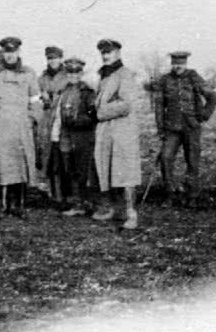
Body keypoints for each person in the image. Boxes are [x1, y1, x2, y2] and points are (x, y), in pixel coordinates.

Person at [0, 37, 39, 219]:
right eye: (7, 52)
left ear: (18, 52)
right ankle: (4, 205)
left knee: (20, 166)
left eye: (13, 52)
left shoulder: (28, 73)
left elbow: (36, 101)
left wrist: (32, 119)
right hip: (0, 127)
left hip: (22, 126)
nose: (10, 56)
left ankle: (19, 205)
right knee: (3, 165)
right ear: (2, 53)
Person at [153, 51, 216, 206]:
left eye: (180, 64)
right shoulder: (165, 80)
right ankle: (170, 194)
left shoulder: (194, 77)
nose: (177, 67)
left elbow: (212, 97)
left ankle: (192, 196)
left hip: (191, 127)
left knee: (192, 161)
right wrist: (161, 128)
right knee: (166, 158)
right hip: (171, 128)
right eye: (174, 63)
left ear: (185, 63)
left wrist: (203, 115)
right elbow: (159, 107)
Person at [92, 40, 142, 228]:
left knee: (126, 172)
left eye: (109, 52)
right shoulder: (104, 76)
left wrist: (99, 111)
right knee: (106, 168)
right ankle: (111, 208)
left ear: (118, 53)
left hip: (123, 131)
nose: (106, 56)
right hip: (106, 130)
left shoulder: (125, 74)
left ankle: (131, 213)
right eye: (103, 53)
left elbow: (126, 104)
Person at [53, 57, 98, 217]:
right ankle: (77, 203)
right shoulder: (64, 91)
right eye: (70, 73)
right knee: (70, 169)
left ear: (81, 73)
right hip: (66, 135)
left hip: (82, 137)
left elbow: (93, 116)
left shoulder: (87, 92)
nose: (73, 76)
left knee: (83, 170)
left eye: (76, 73)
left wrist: (78, 121)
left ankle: (89, 203)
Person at [37, 46, 69, 203]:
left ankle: (66, 194)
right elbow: (36, 97)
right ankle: (53, 192)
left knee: (63, 158)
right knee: (48, 157)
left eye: (55, 58)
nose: (52, 61)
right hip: (46, 122)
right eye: (49, 58)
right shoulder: (42, 78)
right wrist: (43, 97)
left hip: (63, 122)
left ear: (61, 58)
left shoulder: (68, 75)